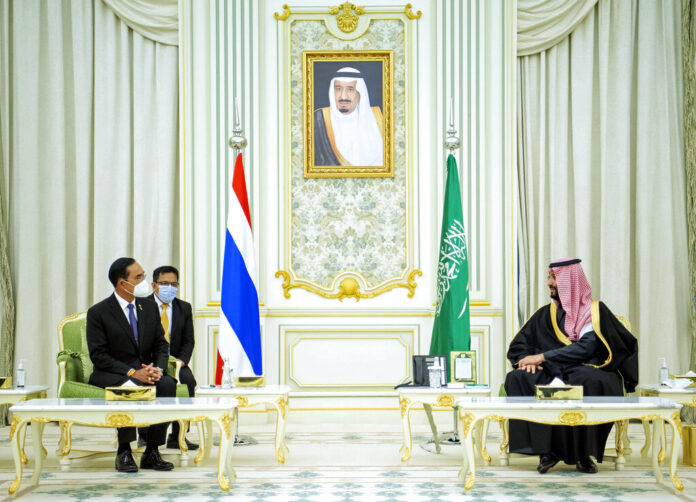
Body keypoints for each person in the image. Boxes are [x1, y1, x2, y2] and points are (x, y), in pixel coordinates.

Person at [504, 258, 638, 474]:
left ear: (570, 281)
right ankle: (546, 451)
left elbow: (585, 348)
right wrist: (528, 361)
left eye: (554, 277)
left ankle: (583, 454)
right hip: (551, 371)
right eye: (549, 277)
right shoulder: (544, 314)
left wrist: (541, 357)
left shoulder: (593, 312)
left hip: (586, 367)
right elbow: (518, 346)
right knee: (518, 378)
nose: (549, 282)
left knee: (589, 381)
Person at [86, 257, 176, 473]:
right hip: (112, 372)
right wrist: (133, 372)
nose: (144, 281)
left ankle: (152, 451)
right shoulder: (99, 312)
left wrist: (158, 369)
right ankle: (124, 451)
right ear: (121, 283)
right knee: (129, 386)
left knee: (167, 384)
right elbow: (98, 355)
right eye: (138, 277)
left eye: (143, 275)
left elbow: (162, 345)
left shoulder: (149, 307)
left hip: (146, 370)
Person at [138, 265, 198, 450]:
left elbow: (189, 340)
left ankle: (178, 435)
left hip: (176, 362)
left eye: (174, 284)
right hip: (149, 361)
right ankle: (145, 434)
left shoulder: (184, 307)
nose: (169, 288)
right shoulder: (141, 305)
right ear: (154, 285)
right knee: (148, 383)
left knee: (188, 382)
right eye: (164, 283)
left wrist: (182, 361)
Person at [313, 67, 383, 166]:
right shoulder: (318, 119)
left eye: (350, 89)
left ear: (360, 93)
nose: (343, 96)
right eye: (338, 89)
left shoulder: (380, 118)